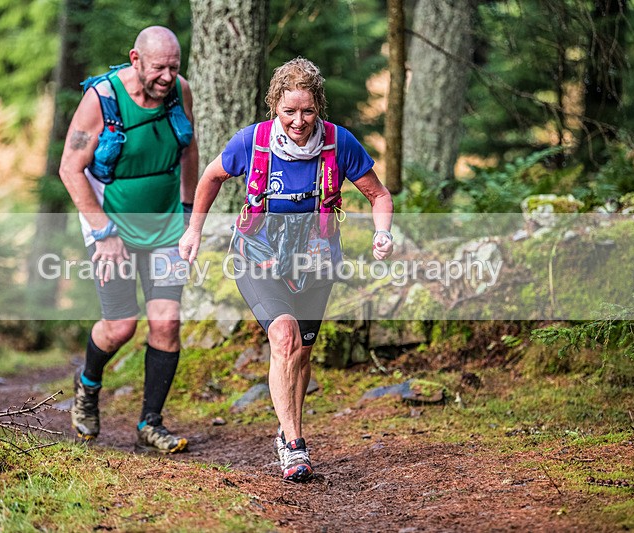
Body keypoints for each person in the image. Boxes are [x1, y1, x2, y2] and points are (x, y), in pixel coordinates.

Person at [179, 57, 393, 481]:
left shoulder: (339, 143)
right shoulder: (252, 142)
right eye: (289, 111)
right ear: (274, 106)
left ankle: (287, 425)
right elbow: (209, 178)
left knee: (302, 352)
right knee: (284, 336)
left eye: (308, 111)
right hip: (258, 258)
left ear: (319, 108)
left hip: (315, 262)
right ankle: (294, 445)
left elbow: (379, 195)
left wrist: (382, 233)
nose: (299, 121)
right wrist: (193, 232)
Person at [59, 26, 198, 453]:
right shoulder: (100, 100)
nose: (167, 77)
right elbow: (69, 167)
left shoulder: (180, 91)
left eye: (174, 67)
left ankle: (150, 423)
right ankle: (87, 387)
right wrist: (103, 234)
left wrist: (189, 215)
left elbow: (190, 150)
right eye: (159, 67)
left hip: (166, 226)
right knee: (121, 326)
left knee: (166, 322)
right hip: (111, 225)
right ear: (135, 59)